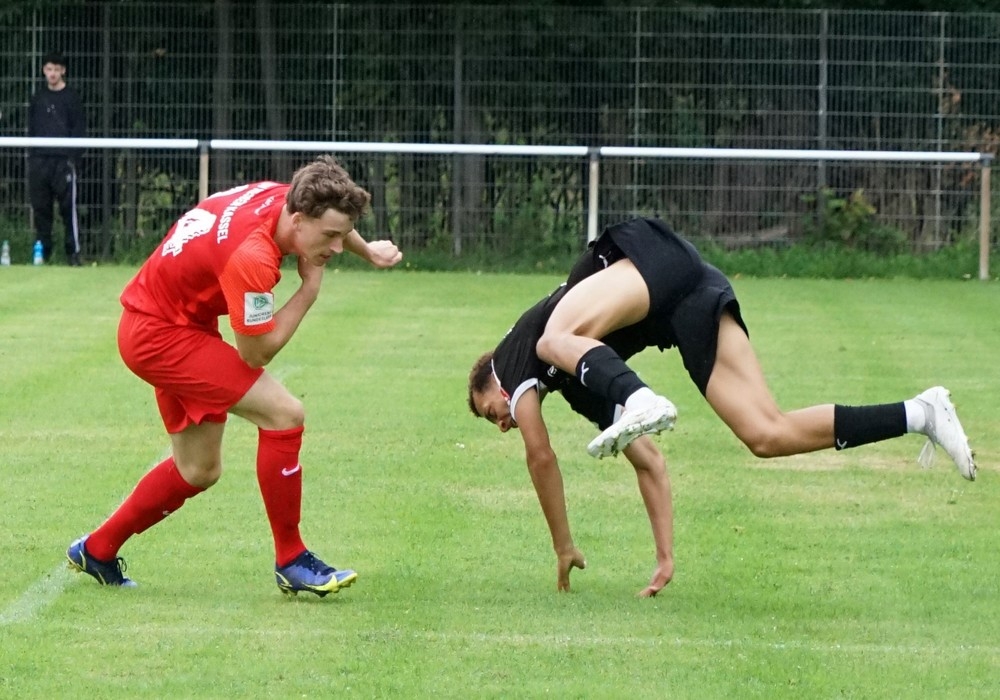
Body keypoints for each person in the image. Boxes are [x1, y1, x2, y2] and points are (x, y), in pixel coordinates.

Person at [467, 216, 976, 598]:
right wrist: (664, 556)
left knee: (553, 337)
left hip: (646, 258)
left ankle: (641, 396)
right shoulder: (583, 374)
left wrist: (563, 547)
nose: (503, 424)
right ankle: (922, 413)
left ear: (494, 379)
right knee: (767, 434)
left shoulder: (512, 361)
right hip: (689, 292)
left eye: (491, 413)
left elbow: (541, 456)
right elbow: (649, 461)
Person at [66, 155, 403, 596]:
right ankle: (292, 559)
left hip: (171, 322)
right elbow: (256, 352)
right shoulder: (253, 257)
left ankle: (97, 549)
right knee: (284, 413)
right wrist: (308, 290)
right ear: (298, 220)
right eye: (331, 237)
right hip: (160, 335)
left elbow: (332, 218)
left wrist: (367, 249)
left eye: (345, 235)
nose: (338, 247)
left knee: (198, 469)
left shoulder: (287, 199)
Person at [27, 51, 86, 266]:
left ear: (63, 71)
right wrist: (33, 156)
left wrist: (73, 158)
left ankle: (73, 254)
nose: (52, 74)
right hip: (40, 161)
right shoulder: (38, 98)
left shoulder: (72, 98)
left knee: (68, 209)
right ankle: (43, 253)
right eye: (49, 69)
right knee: (41, 209)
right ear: (44, 70)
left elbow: (78, 129)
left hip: (63, 162)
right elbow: (32, 129)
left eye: (56, 69)